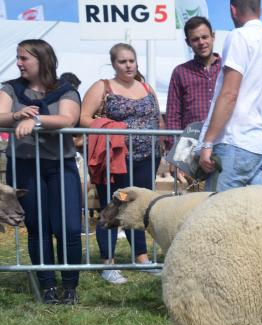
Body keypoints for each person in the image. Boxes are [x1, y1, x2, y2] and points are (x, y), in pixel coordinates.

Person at [0, 39, 82, 304]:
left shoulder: (66, 89)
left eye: (24, 58)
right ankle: (47, 287)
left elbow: (68, 119)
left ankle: (70, 286)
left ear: (42, 59)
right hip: (24, 164)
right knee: (37, 227)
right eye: (18, 58)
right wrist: (16, 116)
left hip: (61, 165)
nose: (19, 63)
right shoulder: (10, 89)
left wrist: (34, 119)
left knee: (68, 227)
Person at [80, 43, 163, 285]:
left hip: (146, 159)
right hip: (114, 160)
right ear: (113, 64)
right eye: (122, 61)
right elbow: (84, 118)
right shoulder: (102, 87)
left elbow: (157, 119)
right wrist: (111, 127)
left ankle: (142, 257)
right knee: (113, 206)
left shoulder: (147, 88)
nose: (128, 65)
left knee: (138, 207)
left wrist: (161, 151)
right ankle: (108, 263)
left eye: (131, 61)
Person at [197, 0, 262, 192]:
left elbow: (229, 94)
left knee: (217, 215)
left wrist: (207, 142)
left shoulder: (239, 36)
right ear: (261, 10)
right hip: (259, 145)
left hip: (234, 143)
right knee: (251, 218)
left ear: (233, 10)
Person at [165, 16, 221, 139]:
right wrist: (173, 145)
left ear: (213, 36)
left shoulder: (227, 68)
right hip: (192, 142)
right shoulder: (180, 72)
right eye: (195, 39)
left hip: (225, 141)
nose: (201, 42)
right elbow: (173, 114)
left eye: (205, 37)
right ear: (187, 42)